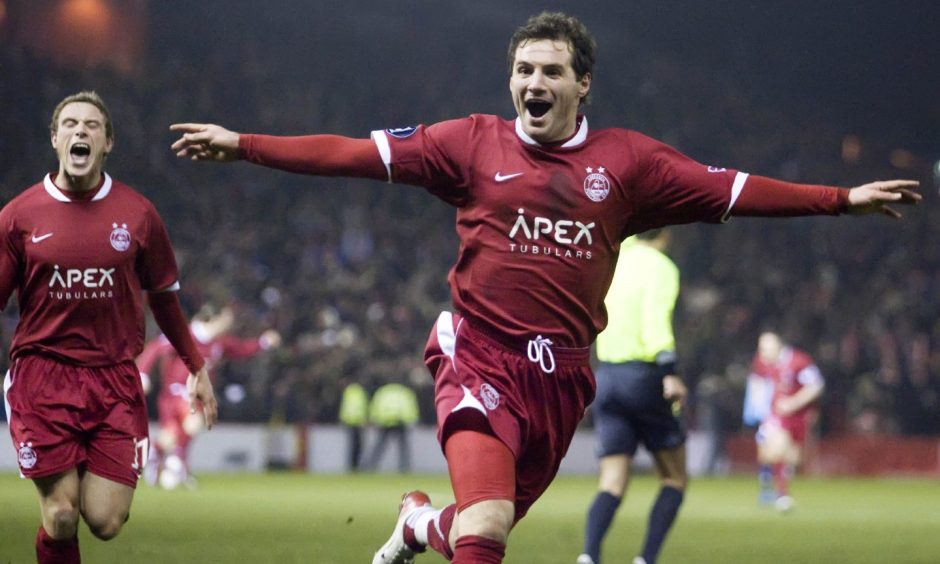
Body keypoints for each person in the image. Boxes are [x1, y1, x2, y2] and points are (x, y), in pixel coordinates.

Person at [168, 11, 919, 563]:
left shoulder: (629, 164)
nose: (535, 82)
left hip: (562, 381)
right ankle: (432, 524)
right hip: (477, 356)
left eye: (551, 70)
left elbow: (734, 189)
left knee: (471, 525)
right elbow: (352, 153)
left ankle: (413, 524)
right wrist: (248, 147)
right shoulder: (469, 143)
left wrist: (838, 199)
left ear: (582, 82)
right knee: (487, 533)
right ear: (511, 80)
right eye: (524, 70)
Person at [0, 91, 217, 564]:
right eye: (71, 124)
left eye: (93, 125)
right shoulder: (18, 217)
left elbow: (164, 297)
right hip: (43, 377)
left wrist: (196, 367)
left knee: (105, 521)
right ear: (55, 138)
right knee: (60, 515)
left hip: (114, 381)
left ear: (108, 142)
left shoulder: (138, 213)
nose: (81, 131)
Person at [578, 228, 685, 564]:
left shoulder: (613, 257)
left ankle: (589, 555)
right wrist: (669, 371)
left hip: (607, 376)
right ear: (666, 232)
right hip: (644, 376)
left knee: (611, 481)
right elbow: (655, 321)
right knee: (674, 477)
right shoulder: (660, 266)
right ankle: (645, 559)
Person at [137, 303, 281, 489]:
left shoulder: (220, 343)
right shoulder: (183, 334)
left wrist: (264, 342)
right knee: (185, 428)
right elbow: (155, 348)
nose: (229, 324)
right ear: (213, 319)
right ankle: (173, 463)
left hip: (193, 397)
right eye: (226, 319)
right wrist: (142, 374)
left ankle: (160, 459)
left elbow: (241, 349)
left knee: (176, 434)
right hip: (174, 393)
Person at [748, 331, 824, 512]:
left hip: (798, 416)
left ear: (778, 347)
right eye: (761, 348)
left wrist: (794, 403)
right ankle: (781, 494)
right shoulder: (761, 362)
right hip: (775, 415)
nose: (763, 352)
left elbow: (816, 385)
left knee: (792, 458)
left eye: (766, 348)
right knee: (774, 448)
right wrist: (755, 411)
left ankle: (770, 483)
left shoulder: (799, 361)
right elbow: (757, 384)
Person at [363, 381, 421, 473]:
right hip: (401, 422)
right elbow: (411, 407)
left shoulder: (382, 391)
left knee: (379, 447)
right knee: (403, 448)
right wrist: (412, 420)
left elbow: (376, 406)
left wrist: (373, 419)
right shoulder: (405, 392)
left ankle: (369, 467)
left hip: (385, 421)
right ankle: (404, 468)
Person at [338, 378, 370, 472]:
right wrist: (365, 419)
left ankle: (353, 466)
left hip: (349, 421)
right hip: (358, 421)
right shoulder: (360, 391)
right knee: (358, 446)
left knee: (353, 446)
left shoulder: (348, 391)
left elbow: (345, 406)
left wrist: (343, 418)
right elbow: (362, 406)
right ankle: (356, 466)